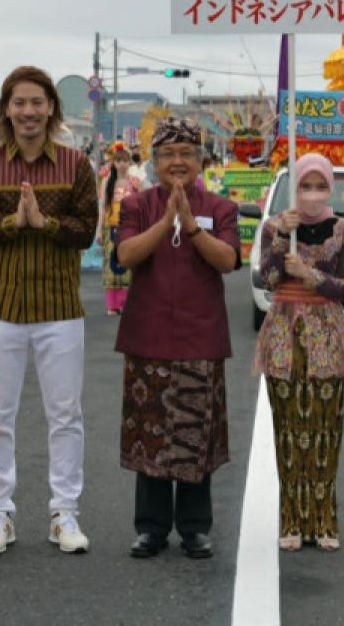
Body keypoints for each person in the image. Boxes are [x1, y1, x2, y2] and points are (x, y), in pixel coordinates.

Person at [0, 66, 98, 557]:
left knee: (65, 414)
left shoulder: (75, 164)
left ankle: (65, 512)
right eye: (19, 103)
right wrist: (12, 221)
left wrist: (43, 223)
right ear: (6, 110)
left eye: (36, 103)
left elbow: (85, 230)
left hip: (58, 307)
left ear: (51, 109)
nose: (28, 112)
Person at [115, 117, 240, 560]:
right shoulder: (137, 206)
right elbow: (125, 255)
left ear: (201, 160)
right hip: (148, 335)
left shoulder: (221, 208)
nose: (178, 161)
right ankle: (150, 528)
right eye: (168, 154)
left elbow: (227, 261)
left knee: (193, 433)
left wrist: (190, 226)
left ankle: (194, 528)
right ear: (155, 163)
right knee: (150, 433)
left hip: (199, 336)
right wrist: (165, 217)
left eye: (187, 153)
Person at [253, 152, 344, 552]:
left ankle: (324, 519)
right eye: (304, 186)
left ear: (330, 187)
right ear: (293, 188)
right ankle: (292, 519)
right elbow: (269, 278)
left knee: (326, 430)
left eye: (319, 186)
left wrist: (310, 275)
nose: (312, 194)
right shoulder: (275, 227)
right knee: (288, 432)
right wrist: (281, 239)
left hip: (327, 333)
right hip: (283, 332)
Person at [98, 145, 140, 315]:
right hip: (111, 227)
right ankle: (112, 305)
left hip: (130, 228)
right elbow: (102, 207)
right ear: (114, 163)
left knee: (127, 263)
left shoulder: (135, 182)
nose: (122, 164)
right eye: (118, 161)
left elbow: (142, 205)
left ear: (129, 163)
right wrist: (99, 231)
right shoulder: (108, 182)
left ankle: (125, 303)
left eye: (125, 161)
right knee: (111, 264)